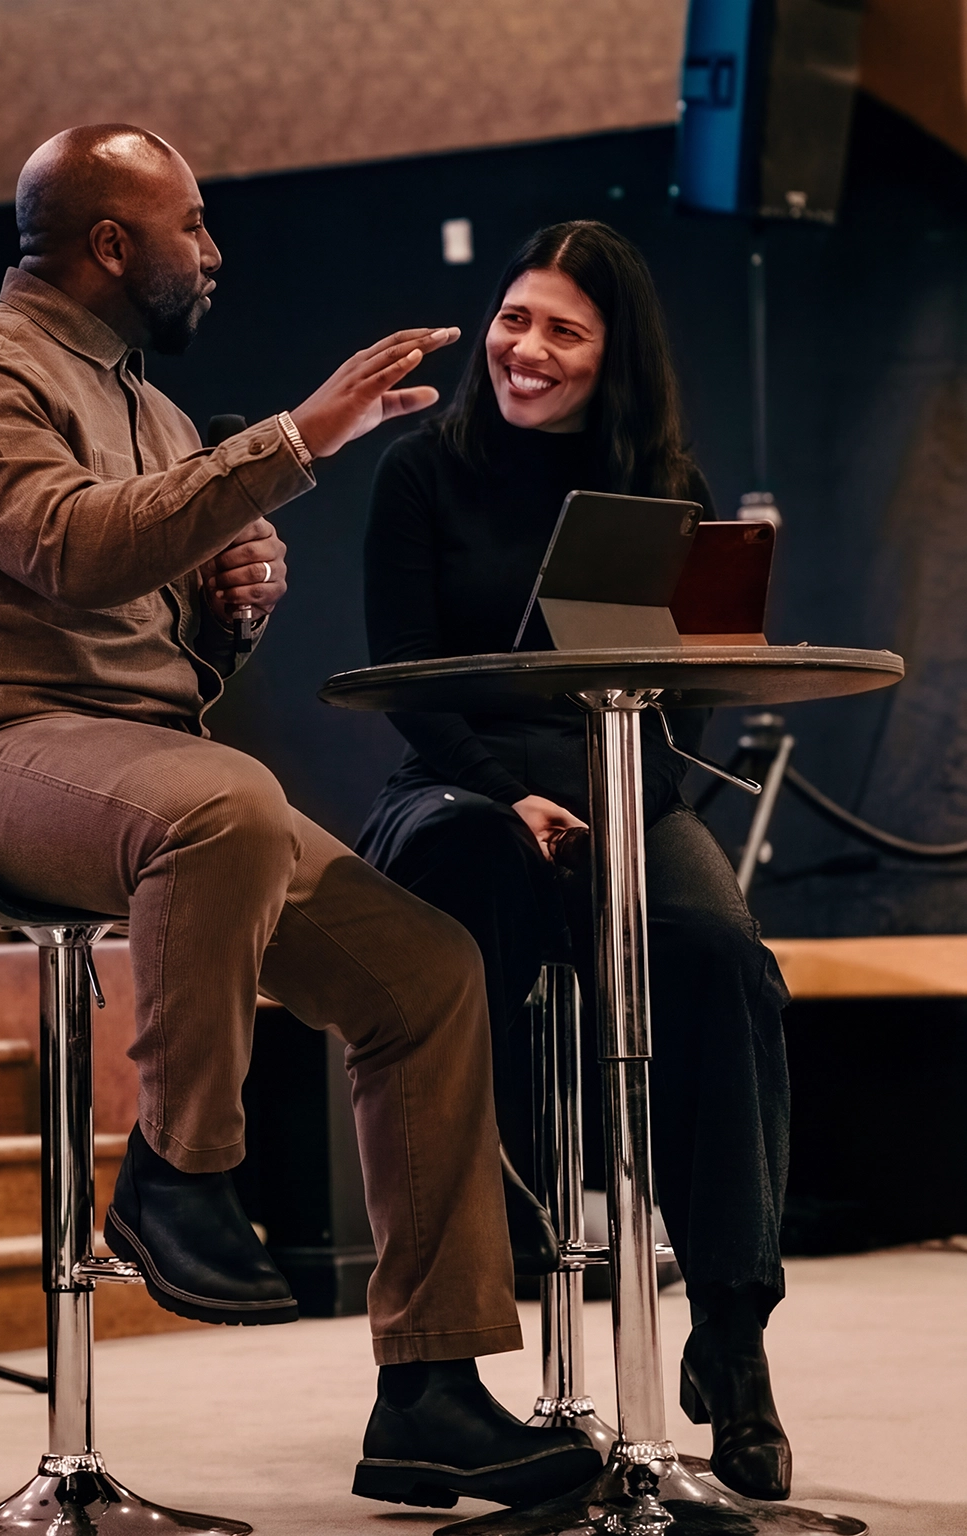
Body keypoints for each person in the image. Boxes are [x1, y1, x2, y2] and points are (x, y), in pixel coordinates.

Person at [0, 127, 603, 1511]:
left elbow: (157, 662)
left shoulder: (149, 412)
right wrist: (296, 437)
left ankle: (429, 1393)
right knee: (222, 806)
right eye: (192, 227)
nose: (213, 252)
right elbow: (72, 551)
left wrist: (223, 618)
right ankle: (175, 1174)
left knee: (423, 973)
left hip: (128, 762)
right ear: (106, 246)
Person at [357, 221, 795, 1502]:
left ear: (613, 359)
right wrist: (515, 795)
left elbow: (688, 702)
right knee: (469, 882)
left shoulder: (669, 489)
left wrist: (609, 804)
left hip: (620, 791)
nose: (523, 348)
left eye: (561, 329)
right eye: (512, 317)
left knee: (718, 955)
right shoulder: (419, 476)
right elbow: (406, 689)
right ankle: (435, 1375)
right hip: (456, 782)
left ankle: (729, 1337)